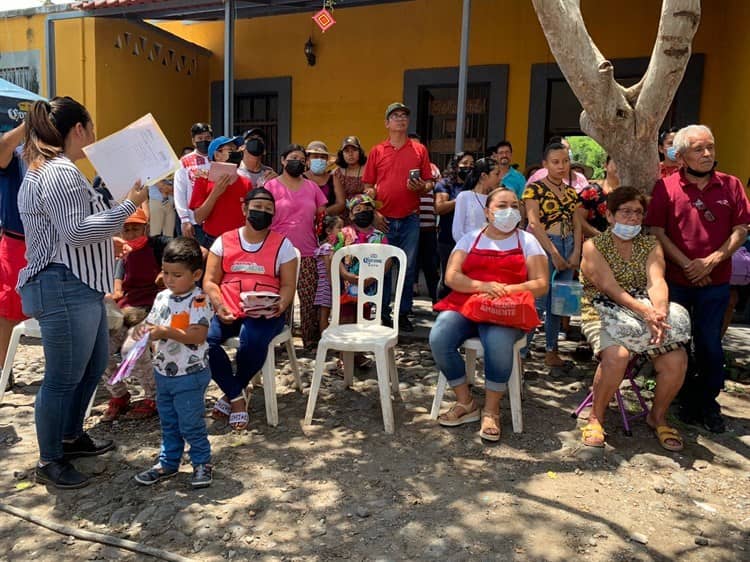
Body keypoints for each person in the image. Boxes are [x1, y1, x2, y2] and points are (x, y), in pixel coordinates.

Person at [18, 97, 148, 489]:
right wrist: (130, 204)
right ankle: (50, 459)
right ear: (79, 129)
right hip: (62, 286)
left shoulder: (57, 171)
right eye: (91, 129)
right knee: (61, 378)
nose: (93, 137)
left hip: (79, 284)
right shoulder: (59, 172)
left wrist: (105, 244)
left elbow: (70, 230)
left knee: (91, 369)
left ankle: (72, 437)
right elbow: (75, 232)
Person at [644, 124, 750, 433]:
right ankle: (680, 401)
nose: (707, 154)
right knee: (677, 345)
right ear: (681, 155)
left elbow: (741, 229)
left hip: (715, 283)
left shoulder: (730, 185)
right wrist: (689, 264)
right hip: (676, 281)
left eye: (710, 148)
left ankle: (707, 404)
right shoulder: (665, 188)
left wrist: (712, 261)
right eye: (698, 149)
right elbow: (657, 231)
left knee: (710, 345)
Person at [430, 188, 548, 441]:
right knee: (439, 336)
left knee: (496, 341)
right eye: (502, 206)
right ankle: (466, 402)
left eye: (514, 206)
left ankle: (492, 410)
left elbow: (541, 283)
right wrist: (482, 286)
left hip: (507, 309)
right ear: (487, 211)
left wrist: (507, 290)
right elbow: (452, 277)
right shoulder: (470, 239)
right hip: (467, 305)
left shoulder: (527, 241)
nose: (509, 211)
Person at [579, 187, 689, 450]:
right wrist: (647, 313)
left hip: (645, 313)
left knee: (677, 358)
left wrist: (659, 313)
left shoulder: (650, 244)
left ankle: (657, 416)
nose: (632, 218)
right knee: (617, 356)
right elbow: (609, 287)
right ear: (610, 216)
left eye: (638, 213)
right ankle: (596, 417)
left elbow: (657, 281)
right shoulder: (593, 246)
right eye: (625, 212)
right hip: (602, 311)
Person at [203, 188, 298, 429]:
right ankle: (236, 393)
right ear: (245, 209)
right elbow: (210, 280)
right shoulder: (223, 241)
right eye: (257, 207)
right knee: (203, 342)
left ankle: (232, 394)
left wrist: (281, 304)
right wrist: (219, 304)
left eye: (268, 209)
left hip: (265, 312)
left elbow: (288, 285)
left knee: (251, 338)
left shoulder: (283, 246)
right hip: (228, 309)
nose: (261, 212)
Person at [134, 237, 214, 488]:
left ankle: (201, 462)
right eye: (166, 272)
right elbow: (152, 324)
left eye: (177, 275)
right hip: (163, 372)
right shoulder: (161, 298)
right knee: (168, 420)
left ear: (196, 274)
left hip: (189, 374)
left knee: (190, 421)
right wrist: (142, 331)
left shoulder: (199, 300)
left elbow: (197, 335)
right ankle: (168, 462)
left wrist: (164, 332)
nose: (169, 279)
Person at [362, 102, 434, 331]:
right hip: (383, 219)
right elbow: (367, 186)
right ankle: (382, 313)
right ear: (387, 123)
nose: (400, 119)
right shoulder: (377, 151)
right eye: (395, 116)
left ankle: (402, 313)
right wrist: (373, 211)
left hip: (410, 217)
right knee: (381, 266)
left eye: (404, 115)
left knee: (408, 267)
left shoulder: (419, 150)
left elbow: (429, 183)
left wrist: (422, 186)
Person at [102, 208, 171, 421]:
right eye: (127, 229)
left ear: (146, 228)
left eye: (136, 228)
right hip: (126, 309)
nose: (131, 234)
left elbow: (193, 252)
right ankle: (119, 394)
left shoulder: (159, 245)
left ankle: (154, 396)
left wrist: (166, 273)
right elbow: (117, 288)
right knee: (98, 350)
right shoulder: (120, 254)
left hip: (156, 307)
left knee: (134, 347)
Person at [524, 141, 583, 367]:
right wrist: (554, 252)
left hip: (568, 245)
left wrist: (576, 251)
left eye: (565, 161)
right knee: (538, 301)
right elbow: (534, 223)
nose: (562, 166)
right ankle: (521, 350)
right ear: (545, 164)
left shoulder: (571, 192)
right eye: (556, 162)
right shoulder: (534, 189)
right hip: (544, 246)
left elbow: (577, 223)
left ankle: (551, 350)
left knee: (560, 302)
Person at [264, 144, 327, 348]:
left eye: (301, 159)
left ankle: (311, 340)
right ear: (283, 160)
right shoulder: (271, 186)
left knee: (309, 299)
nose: (297, 162)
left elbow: (321, 213)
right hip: (279, 253)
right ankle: (280, 341)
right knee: (282, 299)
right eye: (293, 157)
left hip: (308, 250)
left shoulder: (312, 187)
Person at [0, 122, 27, 392]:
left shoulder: (57, 159)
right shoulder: (14, 156)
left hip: (51, 243)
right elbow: (2, 146)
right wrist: (29, 123)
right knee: (7, 309)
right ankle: (3, 368)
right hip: (15, 242)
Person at [189, 135, 251, 248]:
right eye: (231, 150)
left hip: (239, 241)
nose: (236, 153)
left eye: (237, 150)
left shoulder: (246, 182)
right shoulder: (203, 180)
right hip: (213, 240)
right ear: (217, 155)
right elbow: (198, 218)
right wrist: (215, 193)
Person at [435, 152, 474, 298]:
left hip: (470, 238)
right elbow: (439, 207)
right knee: (448, 276)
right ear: (456, 165)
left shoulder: (475, 185)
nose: (468, 167)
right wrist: (461, 199)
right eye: (465, 164)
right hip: (448, 237)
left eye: (472, 164)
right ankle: (442, 307)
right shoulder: (445, 184)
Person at [174, 122, 212, 241]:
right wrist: (185, 219)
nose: (204, 141)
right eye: (200, 138)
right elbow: (179, 192)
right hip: (193, 220)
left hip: (215, 218)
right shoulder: (185, 162)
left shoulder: (218, 158)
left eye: (207, 138)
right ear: (193, 141)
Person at [452, 157, 501, 243]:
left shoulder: (496, 198)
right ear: (484, 176)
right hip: (469, 251)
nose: (500, 179)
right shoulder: (464, 196)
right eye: (496, 174)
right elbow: (457, 232)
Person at [578, 155, 620, 237]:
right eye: (616, 162)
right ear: (605, 166)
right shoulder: (591, 191)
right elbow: (578, 219)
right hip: (594, 244)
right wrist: (599, 236)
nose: (620, 166)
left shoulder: (630, 192)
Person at [315, 215, 344, 333]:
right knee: (324, 314)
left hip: (327, 283)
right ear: (328, 231)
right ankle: (324, 340)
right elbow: (328, 268)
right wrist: (333, 284)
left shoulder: (330, 247)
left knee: (327, 313)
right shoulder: (327, 247)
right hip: (326, 284)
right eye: (339, 228)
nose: (342, 231)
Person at [305, 140, 346, 215]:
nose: (319, 160)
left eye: (323, 157)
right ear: (308, 159)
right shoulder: (300, 178)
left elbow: (341, 203)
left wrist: (324, 213)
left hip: (328, 222)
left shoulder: (334, 179)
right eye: (315, 157)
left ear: (327, 160)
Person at [333, 136, 367, 220]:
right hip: (341, 218)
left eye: (354, 150)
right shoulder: (336, 173)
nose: (350, 154)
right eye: (346, 151)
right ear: (342, 154)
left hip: (363, 216)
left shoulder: (368, 170)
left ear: (360, 152)